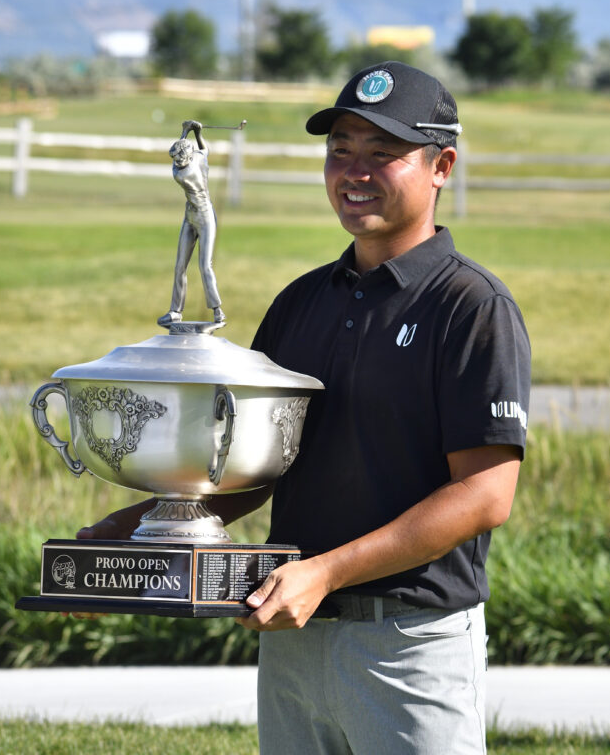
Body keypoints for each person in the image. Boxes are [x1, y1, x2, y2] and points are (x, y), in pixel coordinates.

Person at [79, 61, 531, 755]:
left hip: (408, 644)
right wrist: (131, 532)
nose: (355, 172)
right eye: (340, 150)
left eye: (382, 152)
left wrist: (325, 572)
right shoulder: (300, 303)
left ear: (441, 166)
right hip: (292, 635)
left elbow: (484, 495)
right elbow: (253, 470)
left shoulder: (471, 307)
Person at [157, 119, 225, 328]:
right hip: (190, 217)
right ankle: (175, 311)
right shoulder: (198, 158)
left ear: (187, 156)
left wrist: (186, 131)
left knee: (205, 266)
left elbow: (186, 153)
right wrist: (197, 133)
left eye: (179, 158)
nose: (176, 162)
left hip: (205, 217)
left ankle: (218, 311)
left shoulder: (183, 174)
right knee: (180, 266)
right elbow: (204, 150)